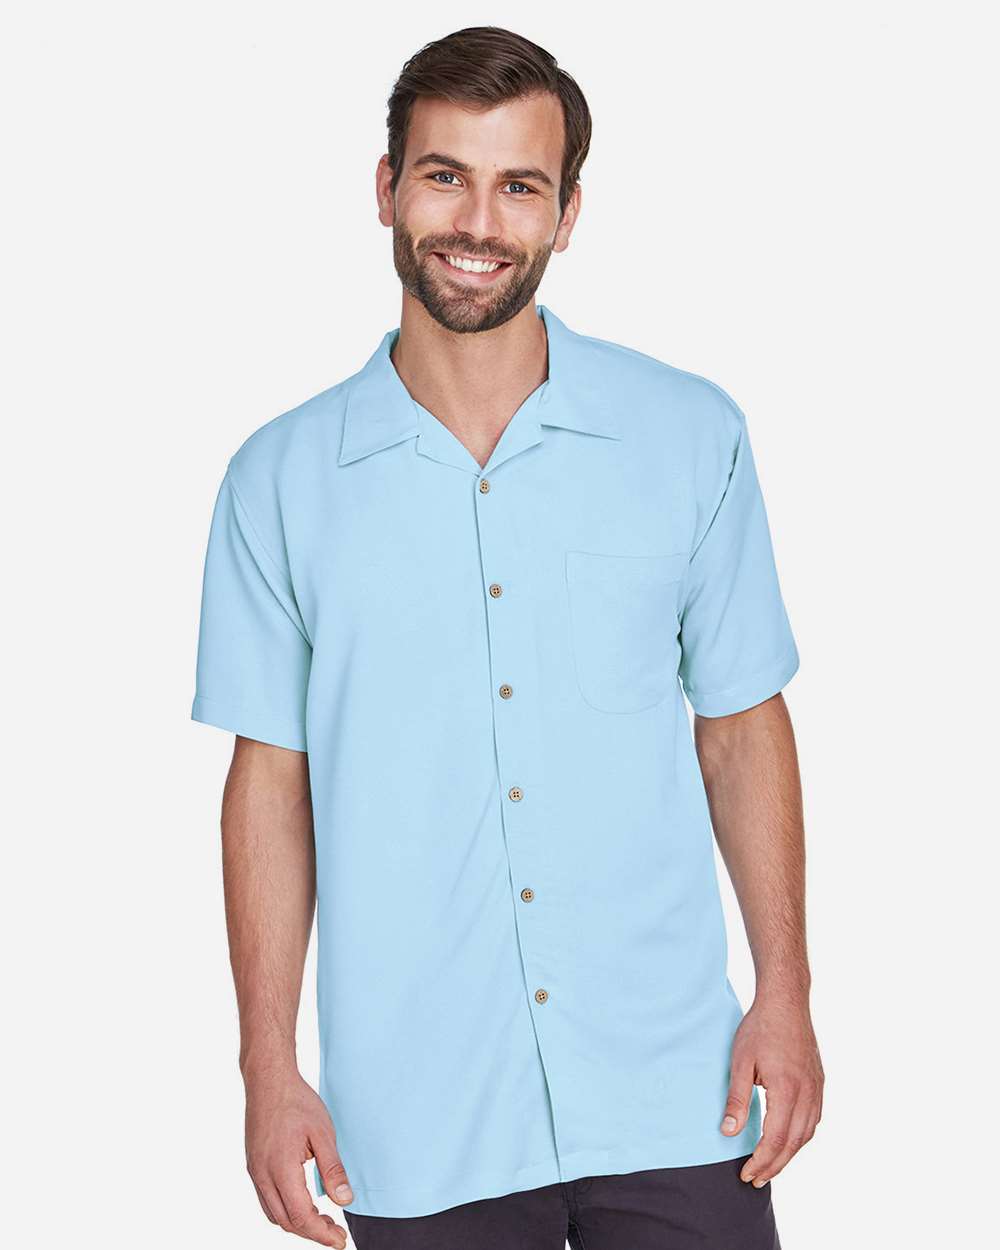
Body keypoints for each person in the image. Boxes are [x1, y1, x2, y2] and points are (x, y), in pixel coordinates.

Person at [190, 24, 823, 1250]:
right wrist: (268, 1064)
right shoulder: (278, 481)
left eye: (519, 186)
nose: (478, 222)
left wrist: (785, 993)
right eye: (445, 175)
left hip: (677, 1089)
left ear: (566, 213)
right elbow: (270, 782)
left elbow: (741, 725)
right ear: (386, 187)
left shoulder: (689, 436)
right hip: (417, 1117)